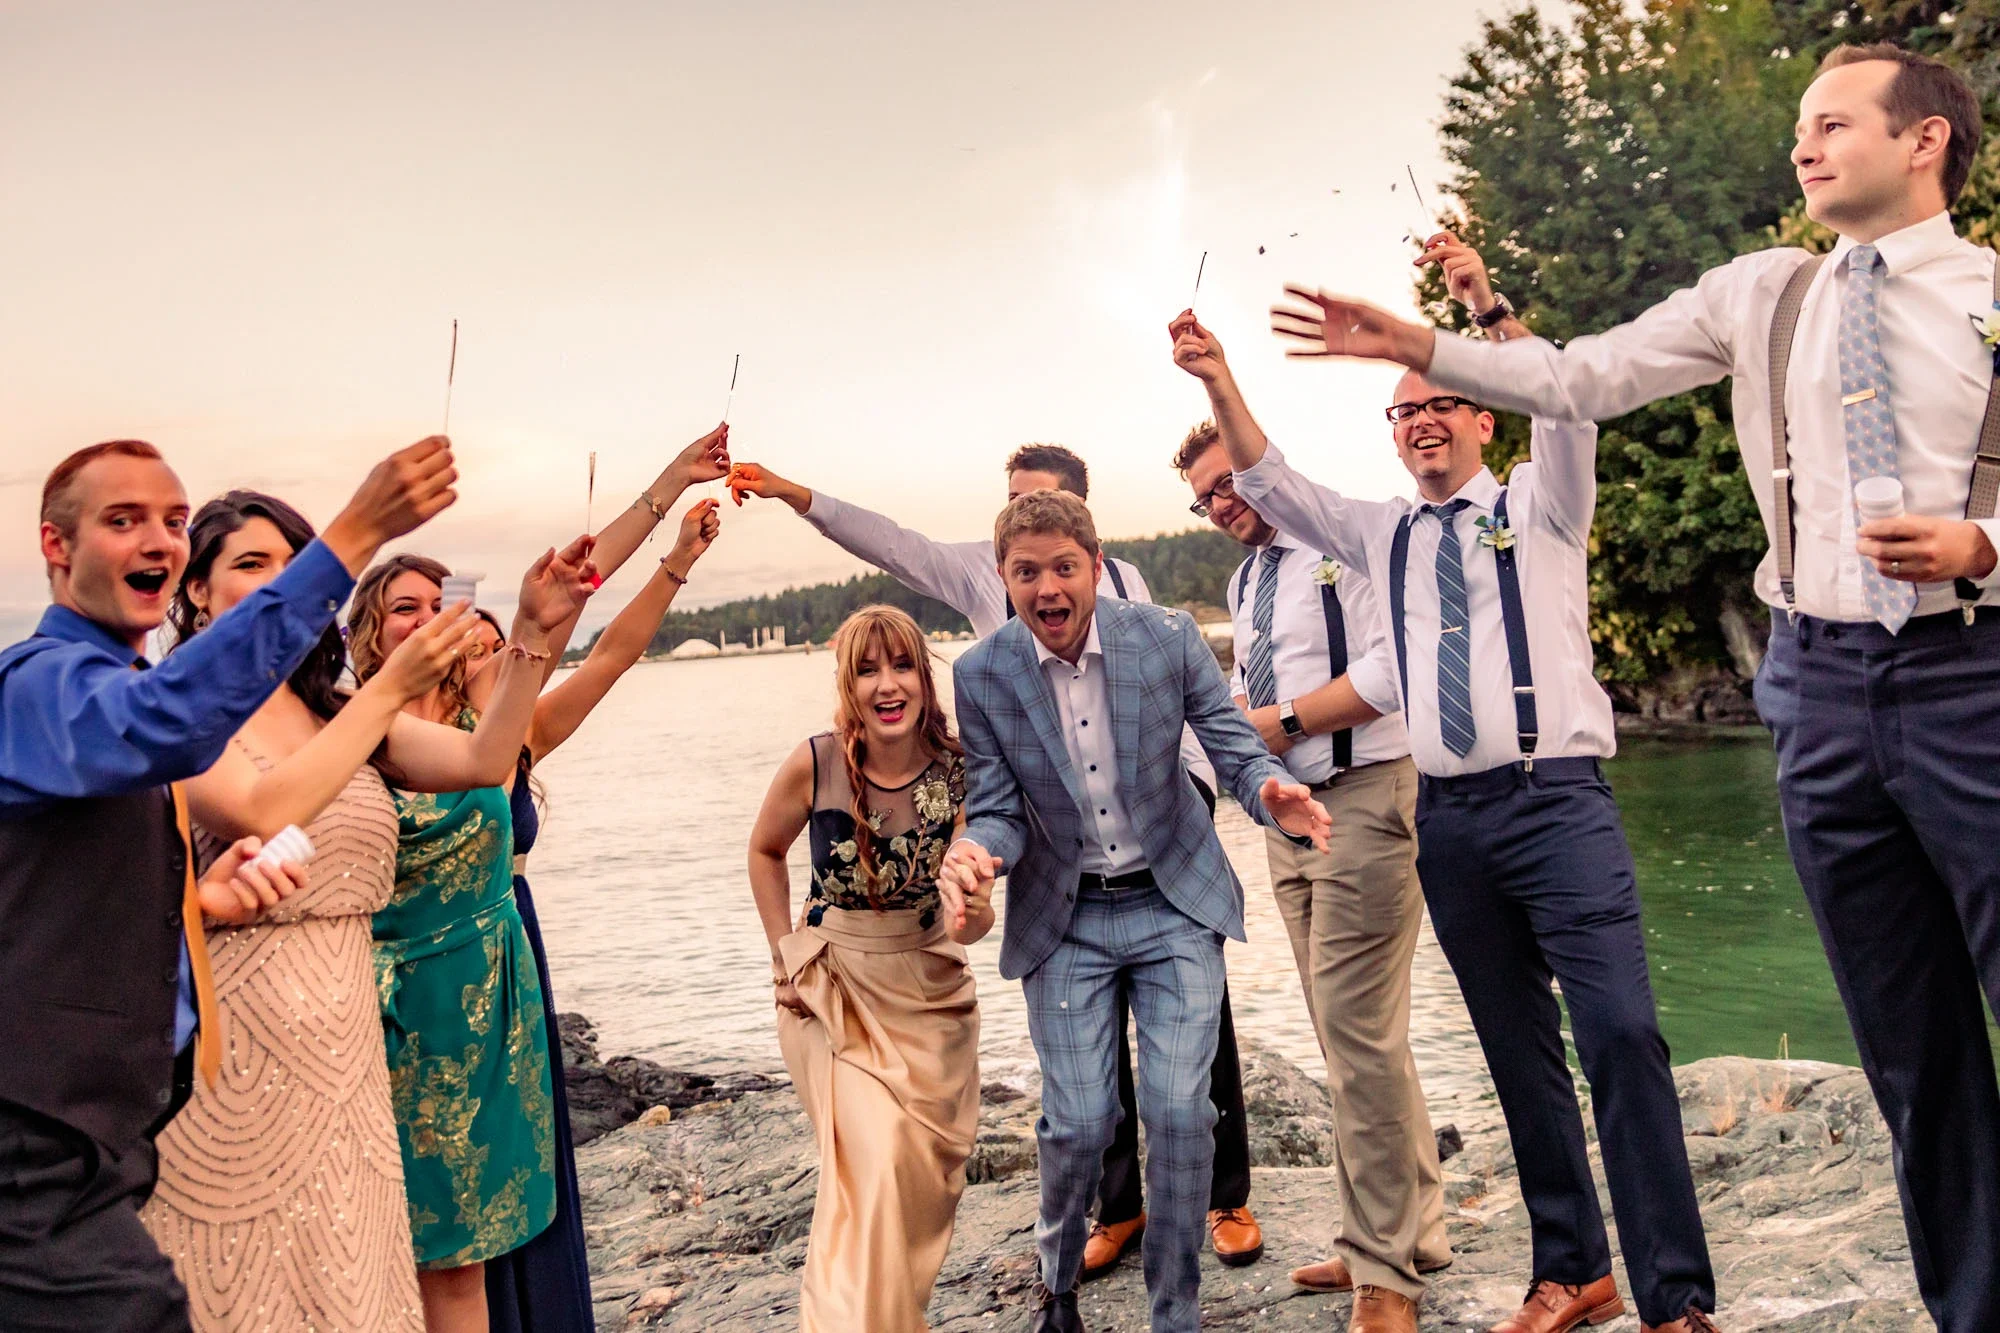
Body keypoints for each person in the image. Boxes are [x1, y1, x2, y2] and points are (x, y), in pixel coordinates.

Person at [1272, 41, 1996, 1333]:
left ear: (1924, 139)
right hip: (1817, 685)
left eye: (1832, 122)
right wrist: (1427, 337)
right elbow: (1582, 379)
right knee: (1912, 1044)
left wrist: (1984, 545)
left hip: (1973, 675)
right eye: (1798, 127)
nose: (1803, 145)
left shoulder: (1992, 296)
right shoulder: (1765, 291)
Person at [1175, 252, 1721, 1331]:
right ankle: (1570, 1270)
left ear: (1481, 417)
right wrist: (1216, 378)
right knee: (1516, 1054)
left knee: (1617, 1032)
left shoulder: (1543, 501)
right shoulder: (1376, 535)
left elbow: (1561, 396)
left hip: (1559, 800)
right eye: (1400, 413)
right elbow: (1270, 477)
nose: (1419, 421)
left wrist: (1479, 306)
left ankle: (1676, 1298)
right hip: (1451, 817)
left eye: (1437, 403)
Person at [728, 446, 1266, 1272]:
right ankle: (1116, 1208)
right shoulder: (989, 584)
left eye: (1046, 504)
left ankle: (1224, 1193)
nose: (1029, 525)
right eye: (1015, 505)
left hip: (1162, 827)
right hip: (1052, 841)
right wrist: (793, 493)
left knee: (1194, 1033)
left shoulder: (1130, 589)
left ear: (1085, 524)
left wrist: (1200, 788)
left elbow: (1182, 695)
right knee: (1085, 1068)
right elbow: (889, 542)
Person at [0, 435, 456, 1330]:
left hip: (105, 1141)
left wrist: (198, 902)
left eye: (172, 520)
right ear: (56, 546)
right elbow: (166, 723)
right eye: (121, 520)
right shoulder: (38, 685)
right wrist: (354, 535)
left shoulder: (107, 689)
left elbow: (57, 886)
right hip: (31, 1142)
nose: (157, 541)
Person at [139, 488, 579, 1332]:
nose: (281, 586)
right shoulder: (173, 709)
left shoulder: (338, 712)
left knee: (359, 1290)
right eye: (252, 565)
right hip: (236, 1048)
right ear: (196, 589)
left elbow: (489, 758)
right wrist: (390, 691)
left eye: (297, 569)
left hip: (352, 1055)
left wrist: (530, 630)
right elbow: (263, 806)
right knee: (245, 1295)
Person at [937, 490, 1332, 1333]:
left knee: (1184, 1112)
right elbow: (999, 805)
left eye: (1063, 567)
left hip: (1173, 899)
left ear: (1095, 563)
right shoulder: (981, 673)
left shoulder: (1165, 638)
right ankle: (1056, 1284)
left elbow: (1228, 739)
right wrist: (980, 848)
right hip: (1066, 915)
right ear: (1004, 579)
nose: (1047, 587)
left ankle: (1174, 1312)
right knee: (1081, 1123)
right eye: (1025, 571)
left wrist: (1269, 788)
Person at [1173, 415, 1457, 1329]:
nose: (1221, 506)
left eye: (1229, 484)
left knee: (1357, 1033)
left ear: (1265, 466)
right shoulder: (1245, 579)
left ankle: (1385, 1276)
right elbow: (1249, 703)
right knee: (1354, 1038)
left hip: (1368, 797)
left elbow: (1393, 668)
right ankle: (1413, 1230)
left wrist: (1279, 723)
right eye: (1204, 498)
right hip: (1285, 821)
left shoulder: (1352, 543)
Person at [476, 490, 724, 1333]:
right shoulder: (394, 739)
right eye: (477, 650)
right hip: (446, 963)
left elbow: (612, 652)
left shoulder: (518, 738)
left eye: (498, 646)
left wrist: (680, 556)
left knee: (532, 1157)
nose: (498, 656)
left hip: (516, 949)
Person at [347, 538, 600, 1333]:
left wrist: (667, 500)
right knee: (408, 1248)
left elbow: (565, 627)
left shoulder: (475, 713)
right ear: (367, 631)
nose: (428, 620)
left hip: (492, 988)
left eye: (436, 603)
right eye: (403, 608)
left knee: (474, 1247)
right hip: (393, 1005)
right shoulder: (352, 728)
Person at [745, 605, 984, 1332]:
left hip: (930, 988)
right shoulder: (816, 762)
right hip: (833, 990)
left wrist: (972, 911)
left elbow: (975, 911)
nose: (887, 684)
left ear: (924, 677)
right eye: (867, 669)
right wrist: (781, 951)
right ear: (847, 685)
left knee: (914, 1186)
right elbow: (763, 850)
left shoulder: (958, 769)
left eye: (902, 665)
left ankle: (889, 1315)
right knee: (865, 1170)